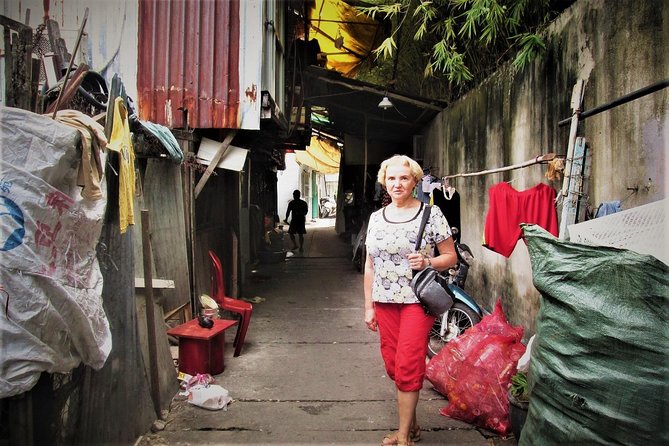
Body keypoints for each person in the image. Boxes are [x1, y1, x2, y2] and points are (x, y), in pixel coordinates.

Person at [364, 155, 457, 446]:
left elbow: (450, 257)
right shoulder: (376, 218)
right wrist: (368, 306)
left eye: (404, 178)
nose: (397, 183)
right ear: (384, 182)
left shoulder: (431, 213)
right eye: (391, 178)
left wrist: (428, 261)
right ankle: (413, 426)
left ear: (415, 181)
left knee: (407, 365)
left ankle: (404, 436)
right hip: (384, 301)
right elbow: (370, 265)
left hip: (416, 301)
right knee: (393, 366)